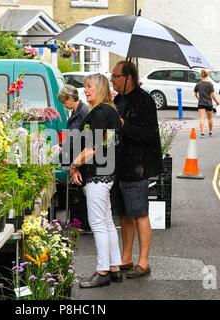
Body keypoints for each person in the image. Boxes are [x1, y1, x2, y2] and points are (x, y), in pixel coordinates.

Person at [69, 73, 123, 288]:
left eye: (89, 86)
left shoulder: (99, 113)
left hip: (98, 175)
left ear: (100, 88)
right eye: (85, 86)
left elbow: (93, 148)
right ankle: (115, 267)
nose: (85, 90)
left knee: (98, 223)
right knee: (107, 221)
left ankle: (102, 271)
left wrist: (73, 166)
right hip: (107, 173)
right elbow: (108, 143)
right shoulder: (109, 111)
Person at [110, 60, 163, 279]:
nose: (112, 79)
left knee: (139, 213)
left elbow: (151, 136)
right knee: (124, 215)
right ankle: (126, 258)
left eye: (115, 76)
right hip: (120, 164)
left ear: (128, 78)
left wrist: (124, 126)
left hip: (138, 165)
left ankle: (143, 262)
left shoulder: (145, 101)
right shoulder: (119, 99)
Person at [57, 85, 91, 233]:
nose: (64, 105)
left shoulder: (83, 112)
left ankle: (83, 224)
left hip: (81, 157)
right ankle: (79, 222)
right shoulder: (76, 111)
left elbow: (83, 137)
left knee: (80, 192)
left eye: (64, 101)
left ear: (70, 98)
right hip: (76, 156)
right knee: (77, 191)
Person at [194, 69, 220, 138]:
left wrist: (199, 99)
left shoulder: (198, 84)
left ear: (201, 75)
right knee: (210, 118)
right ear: (207, 75)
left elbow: (195, 94)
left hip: (201, 103)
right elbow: (212, 95)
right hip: (209, 103)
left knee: (202, 118)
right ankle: (210, 131)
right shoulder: (210, 84)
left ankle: (202, 133)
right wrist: (217, 102)